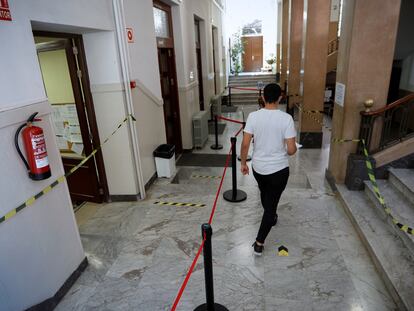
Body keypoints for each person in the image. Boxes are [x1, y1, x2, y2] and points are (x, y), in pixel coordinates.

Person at [240, 83, 297, 256]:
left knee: (266, 195)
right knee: (271, 204)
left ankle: (270, 215)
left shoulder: (253, 116)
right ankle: (259, 242)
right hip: (279, 170)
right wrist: (291, 148)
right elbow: (291, 150)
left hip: (258, 168)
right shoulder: (286, 118)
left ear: (263, 97)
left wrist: (243, 163)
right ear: (280, 97)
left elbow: (245, 143)